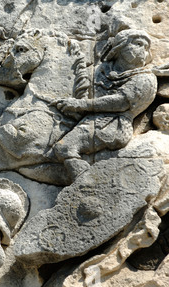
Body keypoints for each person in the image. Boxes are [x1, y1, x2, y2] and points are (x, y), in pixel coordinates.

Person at [50, 29, 157, 181]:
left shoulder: (145, 78)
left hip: (112, 125)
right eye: (138, 44)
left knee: (65, 147)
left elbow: (120, 102)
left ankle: (86, 183)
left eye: (146, 48)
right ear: (120, 46)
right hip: (88, 118)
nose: (143, 51)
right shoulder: (101, 70)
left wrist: (81, 105)